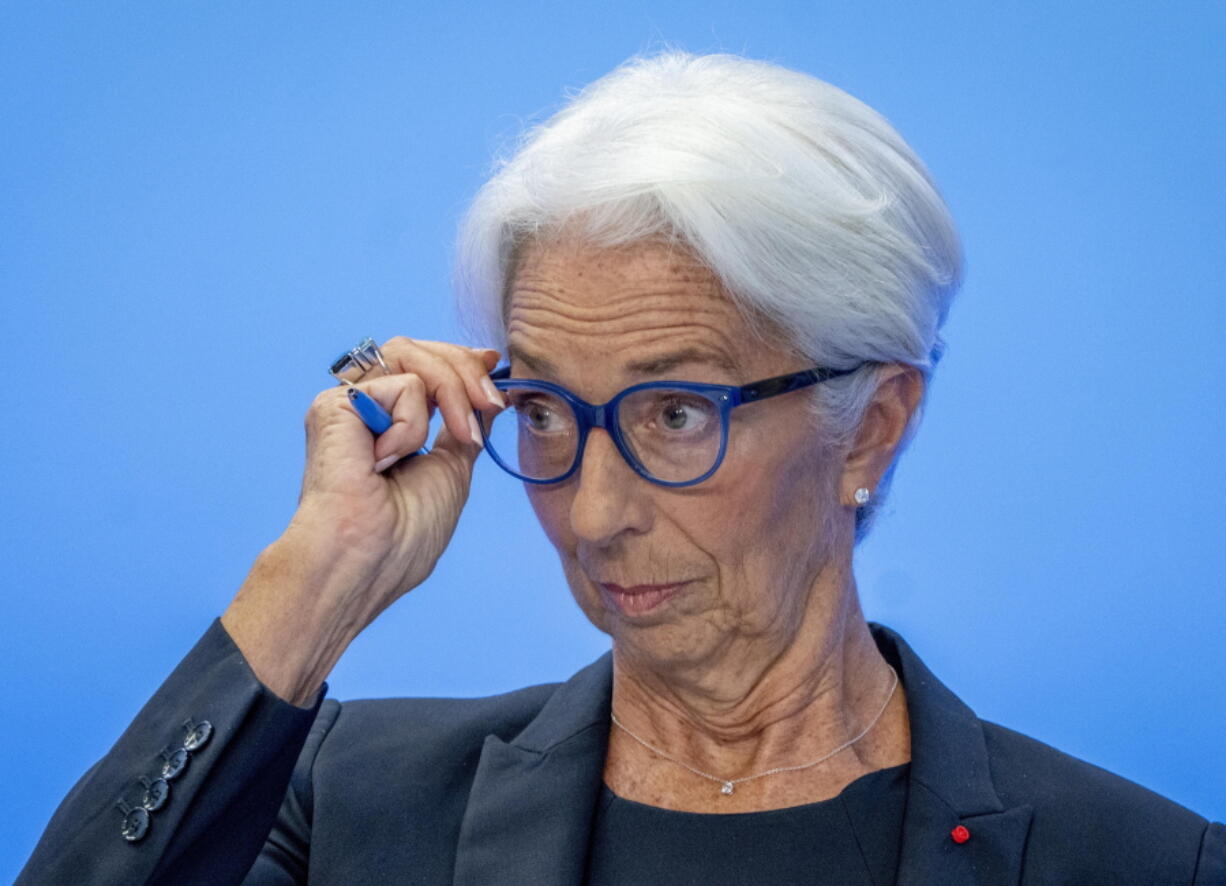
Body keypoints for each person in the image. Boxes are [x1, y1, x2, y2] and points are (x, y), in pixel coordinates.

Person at [18, 51, 1224, 886]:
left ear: (867, 425)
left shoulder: (1139, 859)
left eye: (674, 414)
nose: (590, 512)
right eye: (543, 410)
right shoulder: (354, 803)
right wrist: (316, 580)